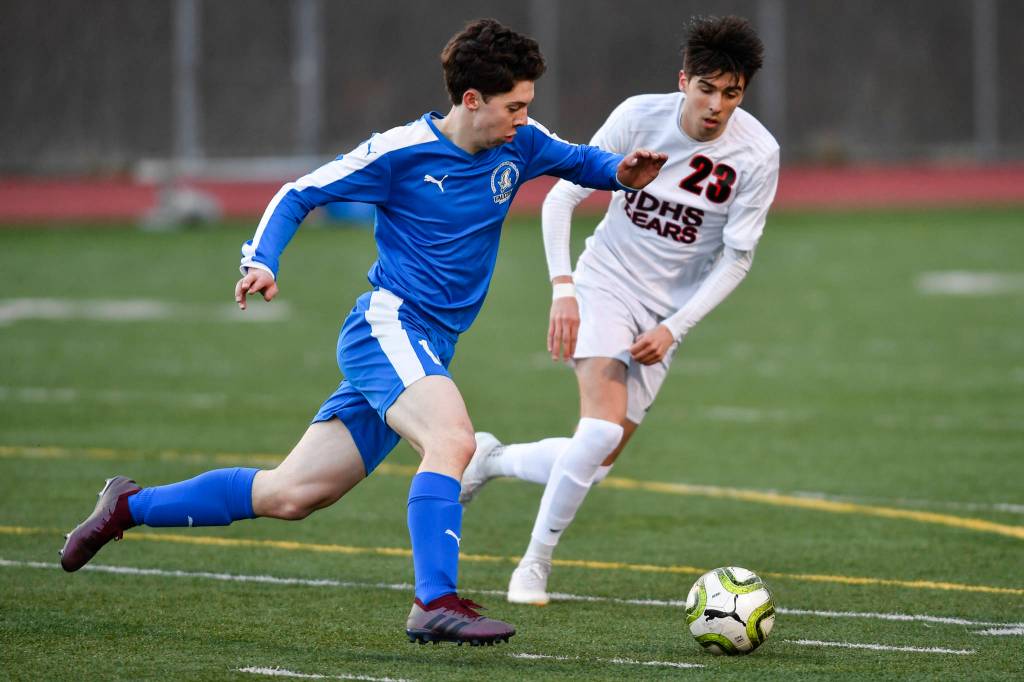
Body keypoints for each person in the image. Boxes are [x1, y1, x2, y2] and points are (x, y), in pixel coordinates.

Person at [57, 18, 666, 645]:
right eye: (514, 105)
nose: (524, 117)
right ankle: (435, 602)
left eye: (528, 105)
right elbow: (299, 193)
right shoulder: (399, 152)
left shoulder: (521, 142)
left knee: (291, 493)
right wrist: (261, 260)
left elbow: (582, 161)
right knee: (453, 442)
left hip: (430, 344)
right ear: (472, 100)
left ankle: (125, 506)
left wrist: (624, 170)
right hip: (389, 325)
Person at [460, 15, 779, 606]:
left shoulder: (758, 154)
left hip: (665, 316)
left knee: (596, 460)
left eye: (730, 93)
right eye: (706, 88)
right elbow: (564, 195)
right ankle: (533, 565)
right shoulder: (639, 116)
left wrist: (673, 327)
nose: (715, 105)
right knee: (600, 427)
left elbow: (736, 259)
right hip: (604, 282)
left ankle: (492, 458)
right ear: (684, 80)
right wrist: (565, 288)